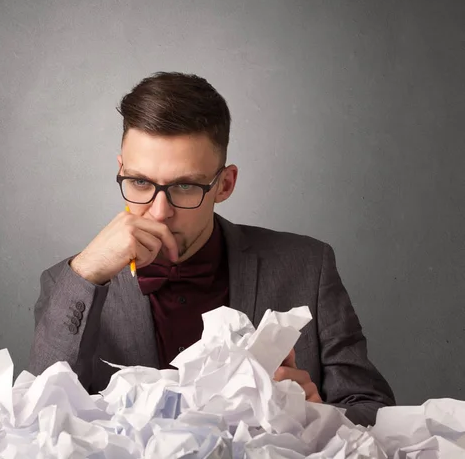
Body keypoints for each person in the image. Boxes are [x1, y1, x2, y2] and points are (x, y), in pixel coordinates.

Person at [28, 71, 395, 426]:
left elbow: (373, 412)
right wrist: (87, 272)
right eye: (139, 182)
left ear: (224, 184)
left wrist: (315, 417)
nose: (159, 212)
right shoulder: (71, 282)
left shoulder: (309, 267)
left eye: (185, 187)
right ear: (120, 170)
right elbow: (38, 421)